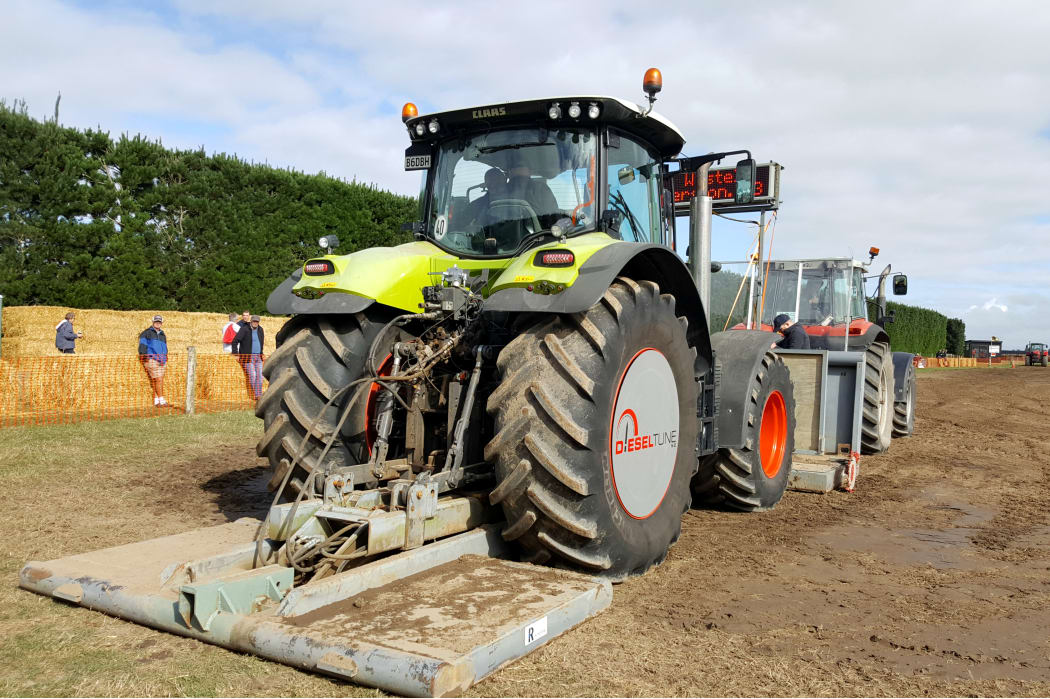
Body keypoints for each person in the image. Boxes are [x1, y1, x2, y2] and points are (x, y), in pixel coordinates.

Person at [231, 314, 265, 400]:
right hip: (247, 357)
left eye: (257, 322)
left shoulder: (260, 330)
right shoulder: (244, 329)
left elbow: (261, 343)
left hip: (258, 357)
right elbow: (235, 341)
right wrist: (236, 354)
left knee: (260, 376)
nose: (255, 323)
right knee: (253, 375)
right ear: (251, 321)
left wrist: (262, 353)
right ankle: (258, 395)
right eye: (254, 321)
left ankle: (258, 395)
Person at [138, 315, 169, 406]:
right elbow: (142, 345)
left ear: (162, 323)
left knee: (157, 380)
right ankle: (162, 400)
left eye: (159, 322)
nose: (158, 323)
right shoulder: (146, 333)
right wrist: (144, 356)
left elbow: (164, 346)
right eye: (156, 321)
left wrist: (166, 356)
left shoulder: (163, 334)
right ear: (153, 322)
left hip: (162, 360)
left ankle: (156, 400)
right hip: (151, 359)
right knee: (158, 379)